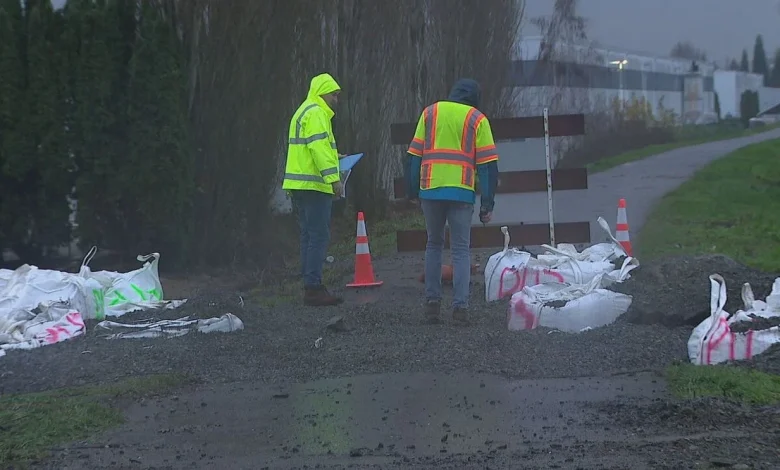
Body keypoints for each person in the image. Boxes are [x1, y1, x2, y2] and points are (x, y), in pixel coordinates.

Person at [406, 78, 499, 325]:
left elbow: (414, 156)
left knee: (433, 244)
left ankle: (432, 304)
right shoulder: (477, 119)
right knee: (460, 250)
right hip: (461, 192)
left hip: (431, 189)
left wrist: (413, 191)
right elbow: (488, 166)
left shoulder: (430, 112)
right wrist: (487, 204)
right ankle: (460, 308)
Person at [282, 73, 345, 307]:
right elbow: (318, 148)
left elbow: (310, 148)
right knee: (319, 236)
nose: (336, 100)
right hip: (314, 185)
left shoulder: (303, 110)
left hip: (299, 185)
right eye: (334, 95)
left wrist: (334, 156)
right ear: (323, 94)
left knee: (308, 235)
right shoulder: (318, 113)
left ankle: (310, 283)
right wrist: (334, 179)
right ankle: (314, 287)